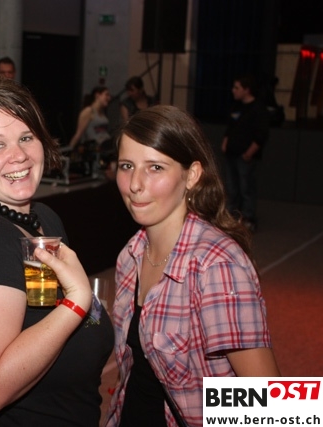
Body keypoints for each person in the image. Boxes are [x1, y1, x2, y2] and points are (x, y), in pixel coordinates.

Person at [0, 74, 114, 426]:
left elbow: (44, 315)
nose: (19, 155)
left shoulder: (43, 218)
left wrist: (92, 316)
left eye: (27, 137)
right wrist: (77, 303)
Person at [106, 105, 280, 427]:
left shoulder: (216, 266)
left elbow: (269, 401)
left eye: (155, 167)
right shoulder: (130, 255)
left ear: (192, 175)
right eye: (127, 166)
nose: (135, 184)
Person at [221, 74, 270, 232]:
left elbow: (262, 134)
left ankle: (248, 218)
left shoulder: (258, 109)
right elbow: (230, 127)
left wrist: (249, 153)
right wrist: (225, 142)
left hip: (245, 156)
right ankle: (230, 218)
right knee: (231, 187)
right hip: (231, 154)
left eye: (237, 88)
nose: (233, 90)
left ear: (246, 90)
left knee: (246, 188)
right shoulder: (237, 106)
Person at [68, 86, 115, 178]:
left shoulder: (102, 112)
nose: (109, 98)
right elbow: (79, 134)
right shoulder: (88, 111)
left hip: (106, 146)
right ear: (97, 95)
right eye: (106, 95)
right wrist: (69, 151)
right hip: (95, 147)